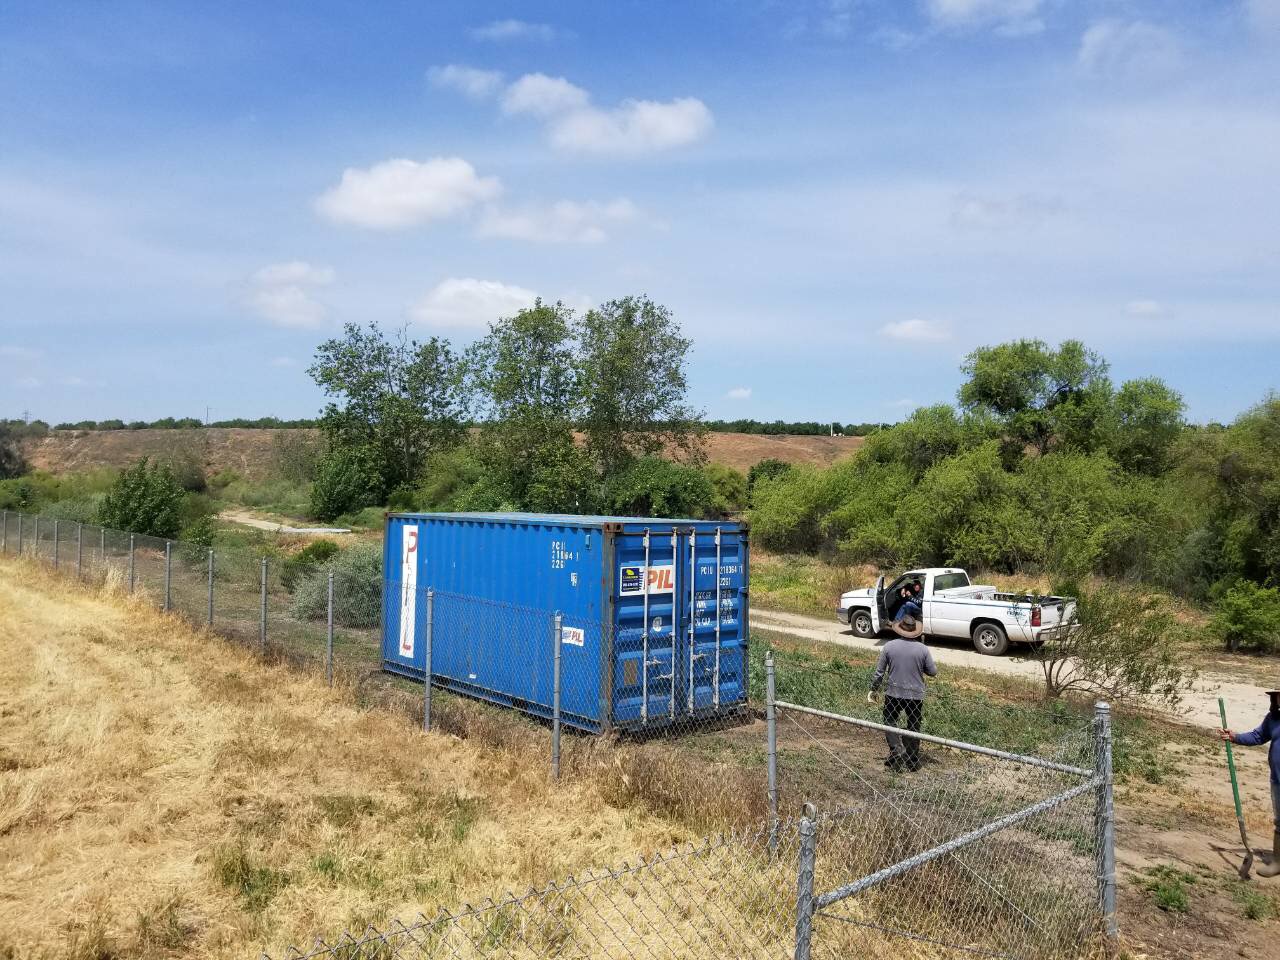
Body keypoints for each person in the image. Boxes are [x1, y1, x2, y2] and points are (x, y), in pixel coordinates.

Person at [1221, 689, 1280, 879]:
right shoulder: (1273, 719)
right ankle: (1278, 862)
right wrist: (1235, 737)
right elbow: (1258, 736)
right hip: (1278, 780)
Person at [867, 612, 937, 771]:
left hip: (893, 693)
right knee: (913, 724)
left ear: (899, 629)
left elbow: (879, 672)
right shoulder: (923, 649)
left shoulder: (889, 647)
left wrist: (874, 689)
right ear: (915, 632)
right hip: (915, 695)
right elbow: (933, 672)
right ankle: (912, 760)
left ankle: (896, 750)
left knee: (890, 721)